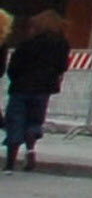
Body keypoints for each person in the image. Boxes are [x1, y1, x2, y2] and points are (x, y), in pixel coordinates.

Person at [5, 9, 72, 171]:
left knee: (15, 121)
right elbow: (62, 66)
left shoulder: (27, 44)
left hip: (21, 88)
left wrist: (15, 79)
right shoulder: (62, 44)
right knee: (34, 121)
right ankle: (31, 149)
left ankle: (10, 163)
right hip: (44, 89)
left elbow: (13, 67)